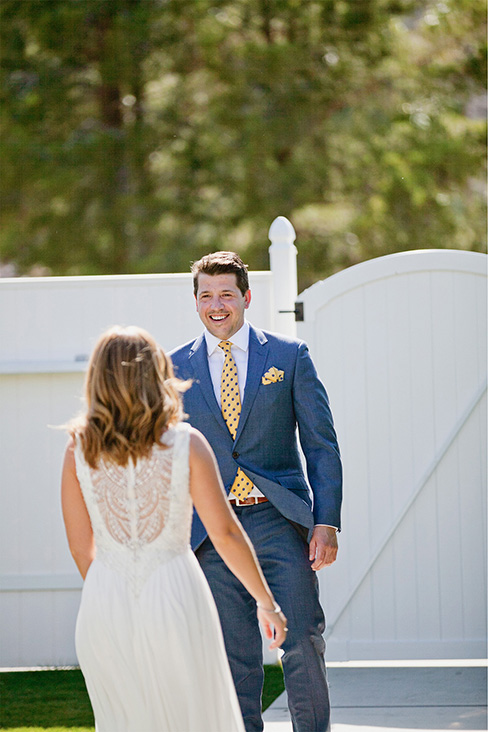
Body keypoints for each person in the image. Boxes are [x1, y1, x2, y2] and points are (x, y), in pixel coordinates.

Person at [61, 326, 287, 732]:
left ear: (97, 379)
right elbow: (226, 533)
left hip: (104, 601)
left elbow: (82, 549)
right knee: (193, 718)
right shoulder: (185, 442)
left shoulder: (79, 447)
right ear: (157, 374)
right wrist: (266, 602)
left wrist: (114, 587)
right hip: (175, 591)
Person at [169, 251, 343, 732]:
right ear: (196, 302)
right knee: (233, 652)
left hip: (277, 520)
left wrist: (325, 522)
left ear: (246, 297)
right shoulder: (173, 367)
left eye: (226, 294)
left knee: (303, 638)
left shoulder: (288, 356)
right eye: (206, 295)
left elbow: (322, 445)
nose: (216, 305)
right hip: (209, 530)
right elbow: (164, 459)